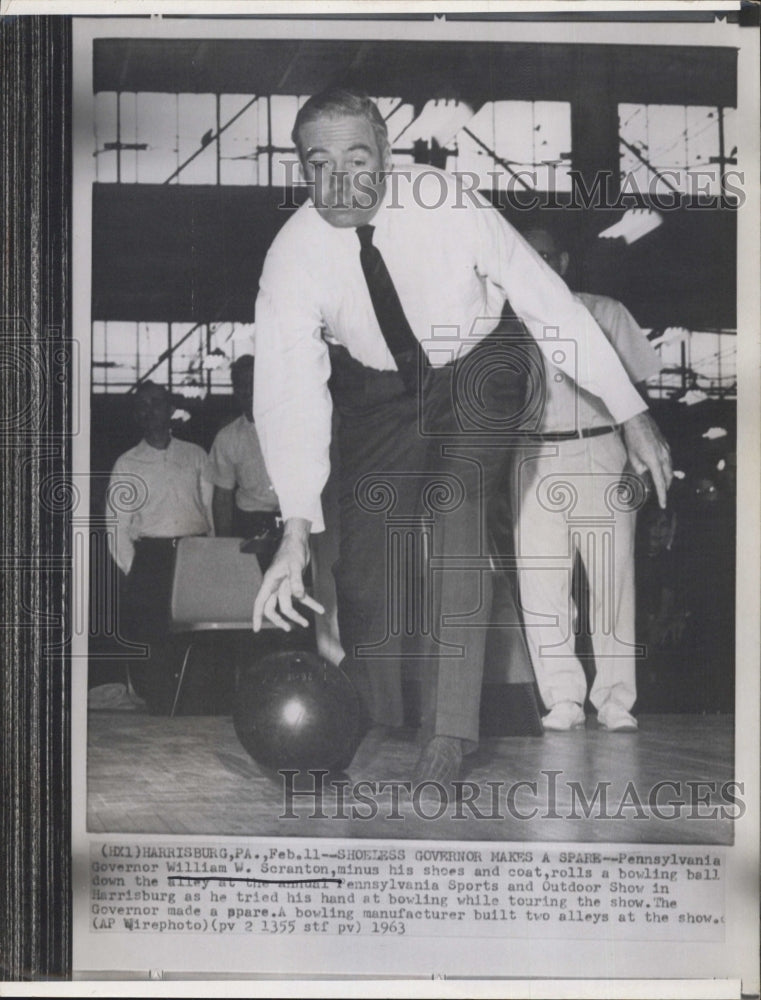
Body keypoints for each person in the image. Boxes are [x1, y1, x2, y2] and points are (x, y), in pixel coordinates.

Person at [251, 88, 672, 786]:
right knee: (360, 566)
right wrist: (295, 523)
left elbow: (545, 302)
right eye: (317, 164)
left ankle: (447, 733)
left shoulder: (448, 203)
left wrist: (629, 413)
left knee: (454, 514)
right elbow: (288, 391)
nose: (339, 183)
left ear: (387, 154)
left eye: (357, 159)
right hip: (381, 389)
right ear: (299, 168)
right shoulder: (292, 256)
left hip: (479, 365)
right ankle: (377, 713)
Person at [512, 226, 664, 731]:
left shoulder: (606, 312)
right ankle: (563, 699)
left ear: (566, 260)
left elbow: (642, 394)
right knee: (542, 582)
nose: (542, 266)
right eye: (531, 259)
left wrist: (638, 456)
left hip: (602, 448)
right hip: (532, 455)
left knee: (611, 580)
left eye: (550, 256)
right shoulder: (503, 324)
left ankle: (616, 699)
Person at [107, 381, 213, 710]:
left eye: (156, 403)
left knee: (196, 636)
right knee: (152, 638)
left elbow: (210, 510)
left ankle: (195, 707)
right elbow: (117, 526)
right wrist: (136, 569)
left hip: (195, 555)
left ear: (170, 409)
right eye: (142, 405)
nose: (149, 410)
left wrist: (211, 557)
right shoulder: (127, 463)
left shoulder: (195, 455)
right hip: (150, 559)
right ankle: (156, 708)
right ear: (137, 415)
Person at [204, 354, 281, 540]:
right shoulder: (227, 438)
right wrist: (223, 545)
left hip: (292, 522)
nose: (248, 391)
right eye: (241, 386)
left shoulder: (293, 430)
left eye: (253, 384)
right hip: (249, 524)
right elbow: (222, 498)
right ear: (235, 391)